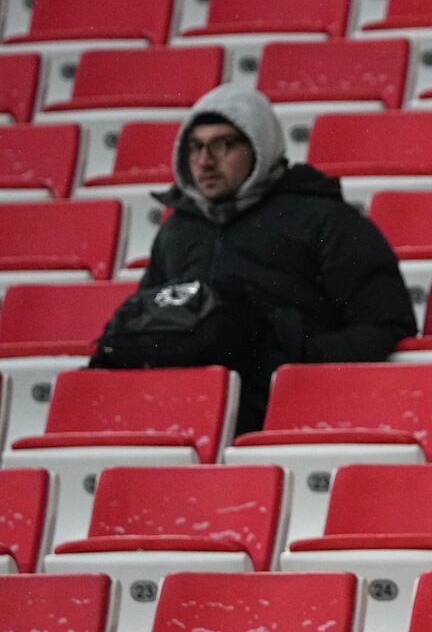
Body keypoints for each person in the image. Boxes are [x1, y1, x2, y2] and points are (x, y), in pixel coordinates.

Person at [140, 83, 417, 433]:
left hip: (299, 411)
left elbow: (385, 324)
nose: (205, 160)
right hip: (188, 412)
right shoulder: (176, 230)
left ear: (259, 146)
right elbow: (148, 315)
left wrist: (291, 362)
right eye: (195, 147)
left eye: (222, 144)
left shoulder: (324, 219)